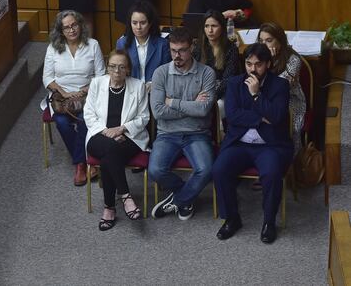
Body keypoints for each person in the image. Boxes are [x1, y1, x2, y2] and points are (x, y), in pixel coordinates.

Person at [213, 43, 292, 244]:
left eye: (258, 65)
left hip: (270, 145)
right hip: (240, 142)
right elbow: (232, 115)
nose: (252, 69)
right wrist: (259, 118)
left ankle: (268, 222)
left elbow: (275, 116)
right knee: (220, 169)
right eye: (248, 64)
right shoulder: (234, 83)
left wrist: (257, 94)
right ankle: (232, 219)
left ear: (268, 64)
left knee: (272, 173)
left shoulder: (280, 85)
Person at [148, 27, 216, 220]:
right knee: (155, 170)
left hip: (197, 133)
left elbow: (203, 111)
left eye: (182, 50)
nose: (177, 55)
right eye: (173, 50)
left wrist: (173, 102)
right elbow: (158, 112)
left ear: (192, 47)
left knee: (207, 169)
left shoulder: (206, 73)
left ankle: (178, 200)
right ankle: (187, 195)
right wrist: (192, 105)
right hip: (167, 134)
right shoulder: (160, 73)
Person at [83, 50, 150, 230]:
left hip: (130, 137)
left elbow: (143, 118)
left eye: (122, 67)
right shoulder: (97, 84)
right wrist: (107, 132)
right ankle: (125, 195)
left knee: (108, 158)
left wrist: (121, 129)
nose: (117, 71)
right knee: (111, 149)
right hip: (99, 136)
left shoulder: (138, 86)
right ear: (107, 67)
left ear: (128, 69)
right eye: (112, 66)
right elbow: (88, 114)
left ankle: (109, 208)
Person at [42, 10, 105, 186]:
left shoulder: (93, 45)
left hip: (88, 95)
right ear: (61, 31)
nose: (71, 30)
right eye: (67, 27)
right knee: (61, 122)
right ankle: (83, 162)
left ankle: (79, 164)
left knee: (86, 119)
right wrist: (63, 92)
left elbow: (100, 75)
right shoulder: (53, 48)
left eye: (74, 25)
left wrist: (85, 89)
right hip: (62, 98)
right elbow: (47, 78)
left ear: (80, 25)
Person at [258, 22, 305, 151]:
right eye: (261, 41)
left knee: (290, 126)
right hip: (263, 98)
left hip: (290, 100)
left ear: (279, 41)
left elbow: (279, 88)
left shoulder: (293, 59)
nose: (264, 45)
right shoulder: (256, 58)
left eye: (268, 41)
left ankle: (294, 158)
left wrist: (270, 64)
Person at [115, 0, 170, 89]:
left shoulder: (162, 44)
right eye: (134, 23)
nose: (138, 27)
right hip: (130, 90)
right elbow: (119, 72)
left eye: (143, 23)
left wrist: (153, 83)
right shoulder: (122, 43)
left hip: (155, 90)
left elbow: (166, 72)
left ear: (150, 23)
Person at [192, 9, 241, 100]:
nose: (210, 30)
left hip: (222, 92)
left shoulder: (231, 49)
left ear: (222, 27)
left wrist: (212, 96)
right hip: (200, 89)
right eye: (206, 26)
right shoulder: (198, 47)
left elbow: (228, 80)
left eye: (214, 26)